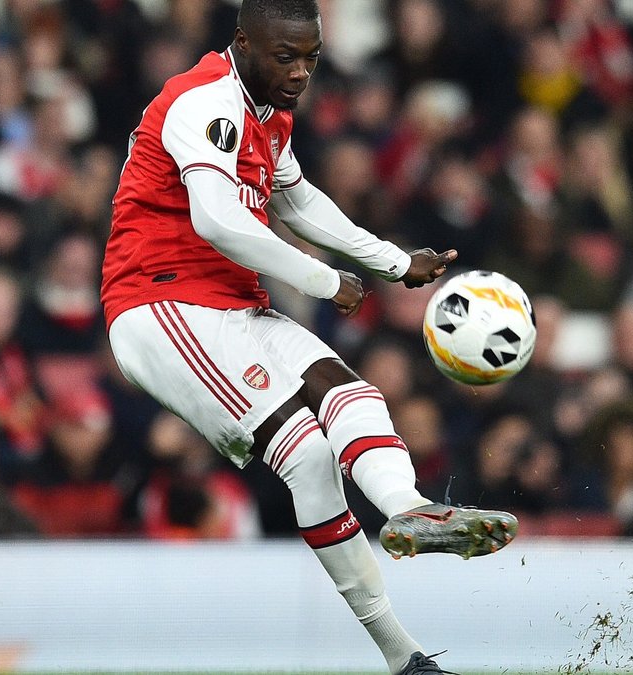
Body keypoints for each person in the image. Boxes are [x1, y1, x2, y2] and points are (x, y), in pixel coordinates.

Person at [100, 1, 517, 672]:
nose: (300, 72)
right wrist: (324, 281)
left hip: (230, 304)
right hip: (161, 302)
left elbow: (296, 201)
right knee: (304, 451)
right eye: (285, 56)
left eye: (311, 58)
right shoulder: (202, 103)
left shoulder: (270, 112)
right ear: (242, 43)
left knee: (348, 396)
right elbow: (217, 222)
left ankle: (410, 520)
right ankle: (401, 649)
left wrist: (392, 261)